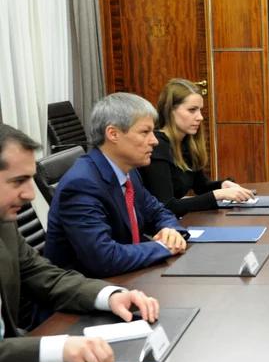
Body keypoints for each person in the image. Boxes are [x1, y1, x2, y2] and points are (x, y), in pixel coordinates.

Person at [0, 124, 160, 362]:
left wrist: (110, 296)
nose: (30, 194)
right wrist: (58, 349)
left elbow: (46, 276)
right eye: (18, 181)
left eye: (31, 179)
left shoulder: (4, 228)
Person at [45, 93, 188, 278]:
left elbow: (157, 212)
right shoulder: (81, 184)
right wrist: (163, 247)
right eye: (145, 132)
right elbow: (104, 259)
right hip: (83, 295)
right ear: (113, 134)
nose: (154, 140)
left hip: (126, 279)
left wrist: (171, 231)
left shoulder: (128, 171)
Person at [138, 78, 254, 217]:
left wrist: (223, 185)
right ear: (169, 110)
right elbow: (167, 206)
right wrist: (217, 194)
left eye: (200, 110)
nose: (200, 117)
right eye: (192, 110)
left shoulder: (187, 142)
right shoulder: (157, 145)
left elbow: (201, 186)